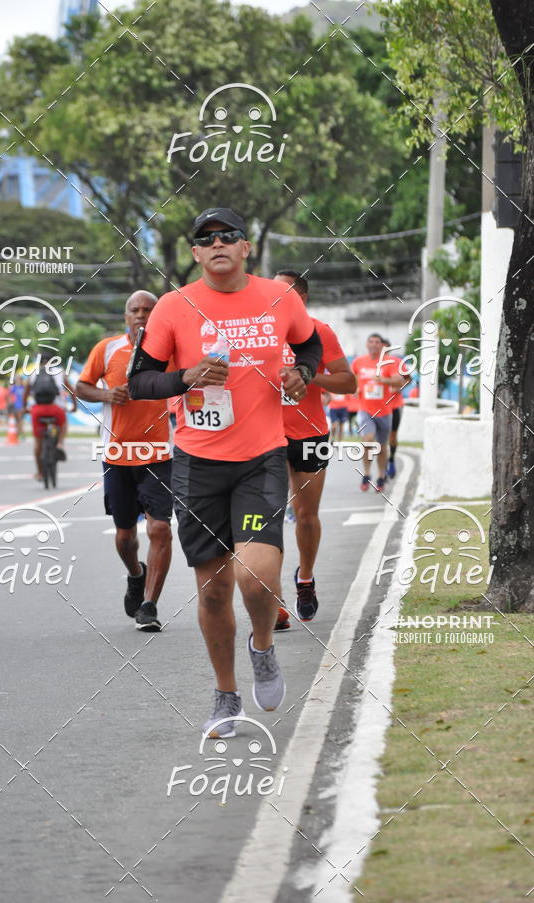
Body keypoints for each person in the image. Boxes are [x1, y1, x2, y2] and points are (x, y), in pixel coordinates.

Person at [128, 206, 322, 737]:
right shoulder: (173, 306)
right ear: (195, 253)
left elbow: (309, 343)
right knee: (213, 591)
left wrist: (301, 373)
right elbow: (141, 382)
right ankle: (226, 695)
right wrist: (185, 376)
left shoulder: (280, 298)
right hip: (196, 467)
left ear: (246, 247)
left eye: (229, 236)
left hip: (260, 460)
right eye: (206, 238)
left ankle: (262, 647)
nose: (218, 244)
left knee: (255, 577)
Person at [77, 291, 173, 631]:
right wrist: (106, 394)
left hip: (160, 453)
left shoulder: (170, 352)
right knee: (124, 536)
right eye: (135, 310)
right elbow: (81, 385)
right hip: (117, 454)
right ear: (125, 317)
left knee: (160, 528)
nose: (142, 315)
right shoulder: (107, 349)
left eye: (149, 310)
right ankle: (135, 574)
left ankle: (149, 605)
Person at [274, 270, 355, 629]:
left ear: (301, 299)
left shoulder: (319, 332)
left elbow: (348, 382)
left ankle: (305, 578)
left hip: (310, 435)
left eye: (283, 292)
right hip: (266, 436)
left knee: (305, 517)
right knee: (264, 519)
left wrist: (309, 375)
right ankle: (272, 599)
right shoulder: (258, 333)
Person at [351, 333, 405, 492]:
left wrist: (384, 380)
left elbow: (400, 380)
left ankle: (381, 476)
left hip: (385, 411)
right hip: (365, 409)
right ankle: (366, 474)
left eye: (377, 342)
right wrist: (356, 388)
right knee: (368, 439)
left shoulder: (389, 362)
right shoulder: (358, 362)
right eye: (371, 342)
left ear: (382, 346)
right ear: (367, 344)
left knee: (382, 447)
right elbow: (352, 376)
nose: (374, 344)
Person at [23, 355, 77, 481]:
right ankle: (60, 444)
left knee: (38, 442)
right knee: (63, 423)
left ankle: (40, 472)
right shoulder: (60, 373)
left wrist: (26, 408)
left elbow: (25, 394)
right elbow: (72, 391)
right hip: (56, 410)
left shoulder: (33, 375)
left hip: (38, 410)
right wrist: (74, 406)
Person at [381, 337, 410, 479]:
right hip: (377, 407)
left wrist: (400, 387)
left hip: (394, 405)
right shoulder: (371, 364)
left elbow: (408, 379)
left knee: (392, 436)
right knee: (379, 439)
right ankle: (382, 467)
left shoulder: (397, 362)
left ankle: (391, 459)